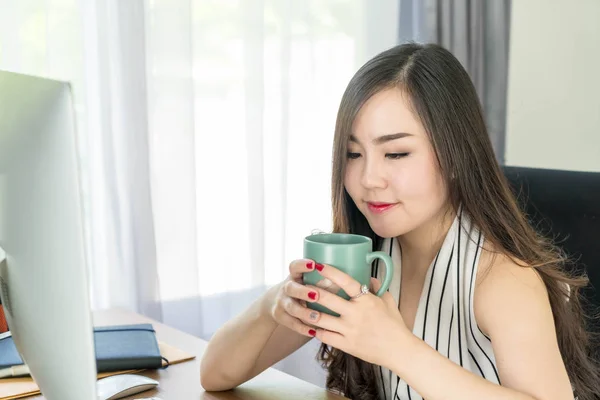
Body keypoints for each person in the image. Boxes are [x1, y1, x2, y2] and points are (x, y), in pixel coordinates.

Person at [199, 43, 600, 400]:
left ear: (456, 157)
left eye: (395, 154)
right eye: (354, 154)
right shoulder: (362, 258)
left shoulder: (501, 277)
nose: (369, 179)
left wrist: (395, 347)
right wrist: (276, 303)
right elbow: (214, 374)